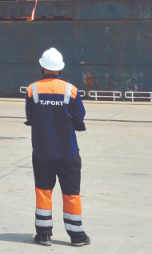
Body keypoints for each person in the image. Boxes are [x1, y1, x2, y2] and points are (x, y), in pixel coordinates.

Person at [24, 47, 90, 247]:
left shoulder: (32, 89)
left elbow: (30, 118)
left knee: (43, 191)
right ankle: (77, 236)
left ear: (42, 66)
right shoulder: (71, 89)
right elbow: (79, 117)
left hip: (42, 151)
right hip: (68, 151)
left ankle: (43, 235)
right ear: (60, 68)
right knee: (71, 193)